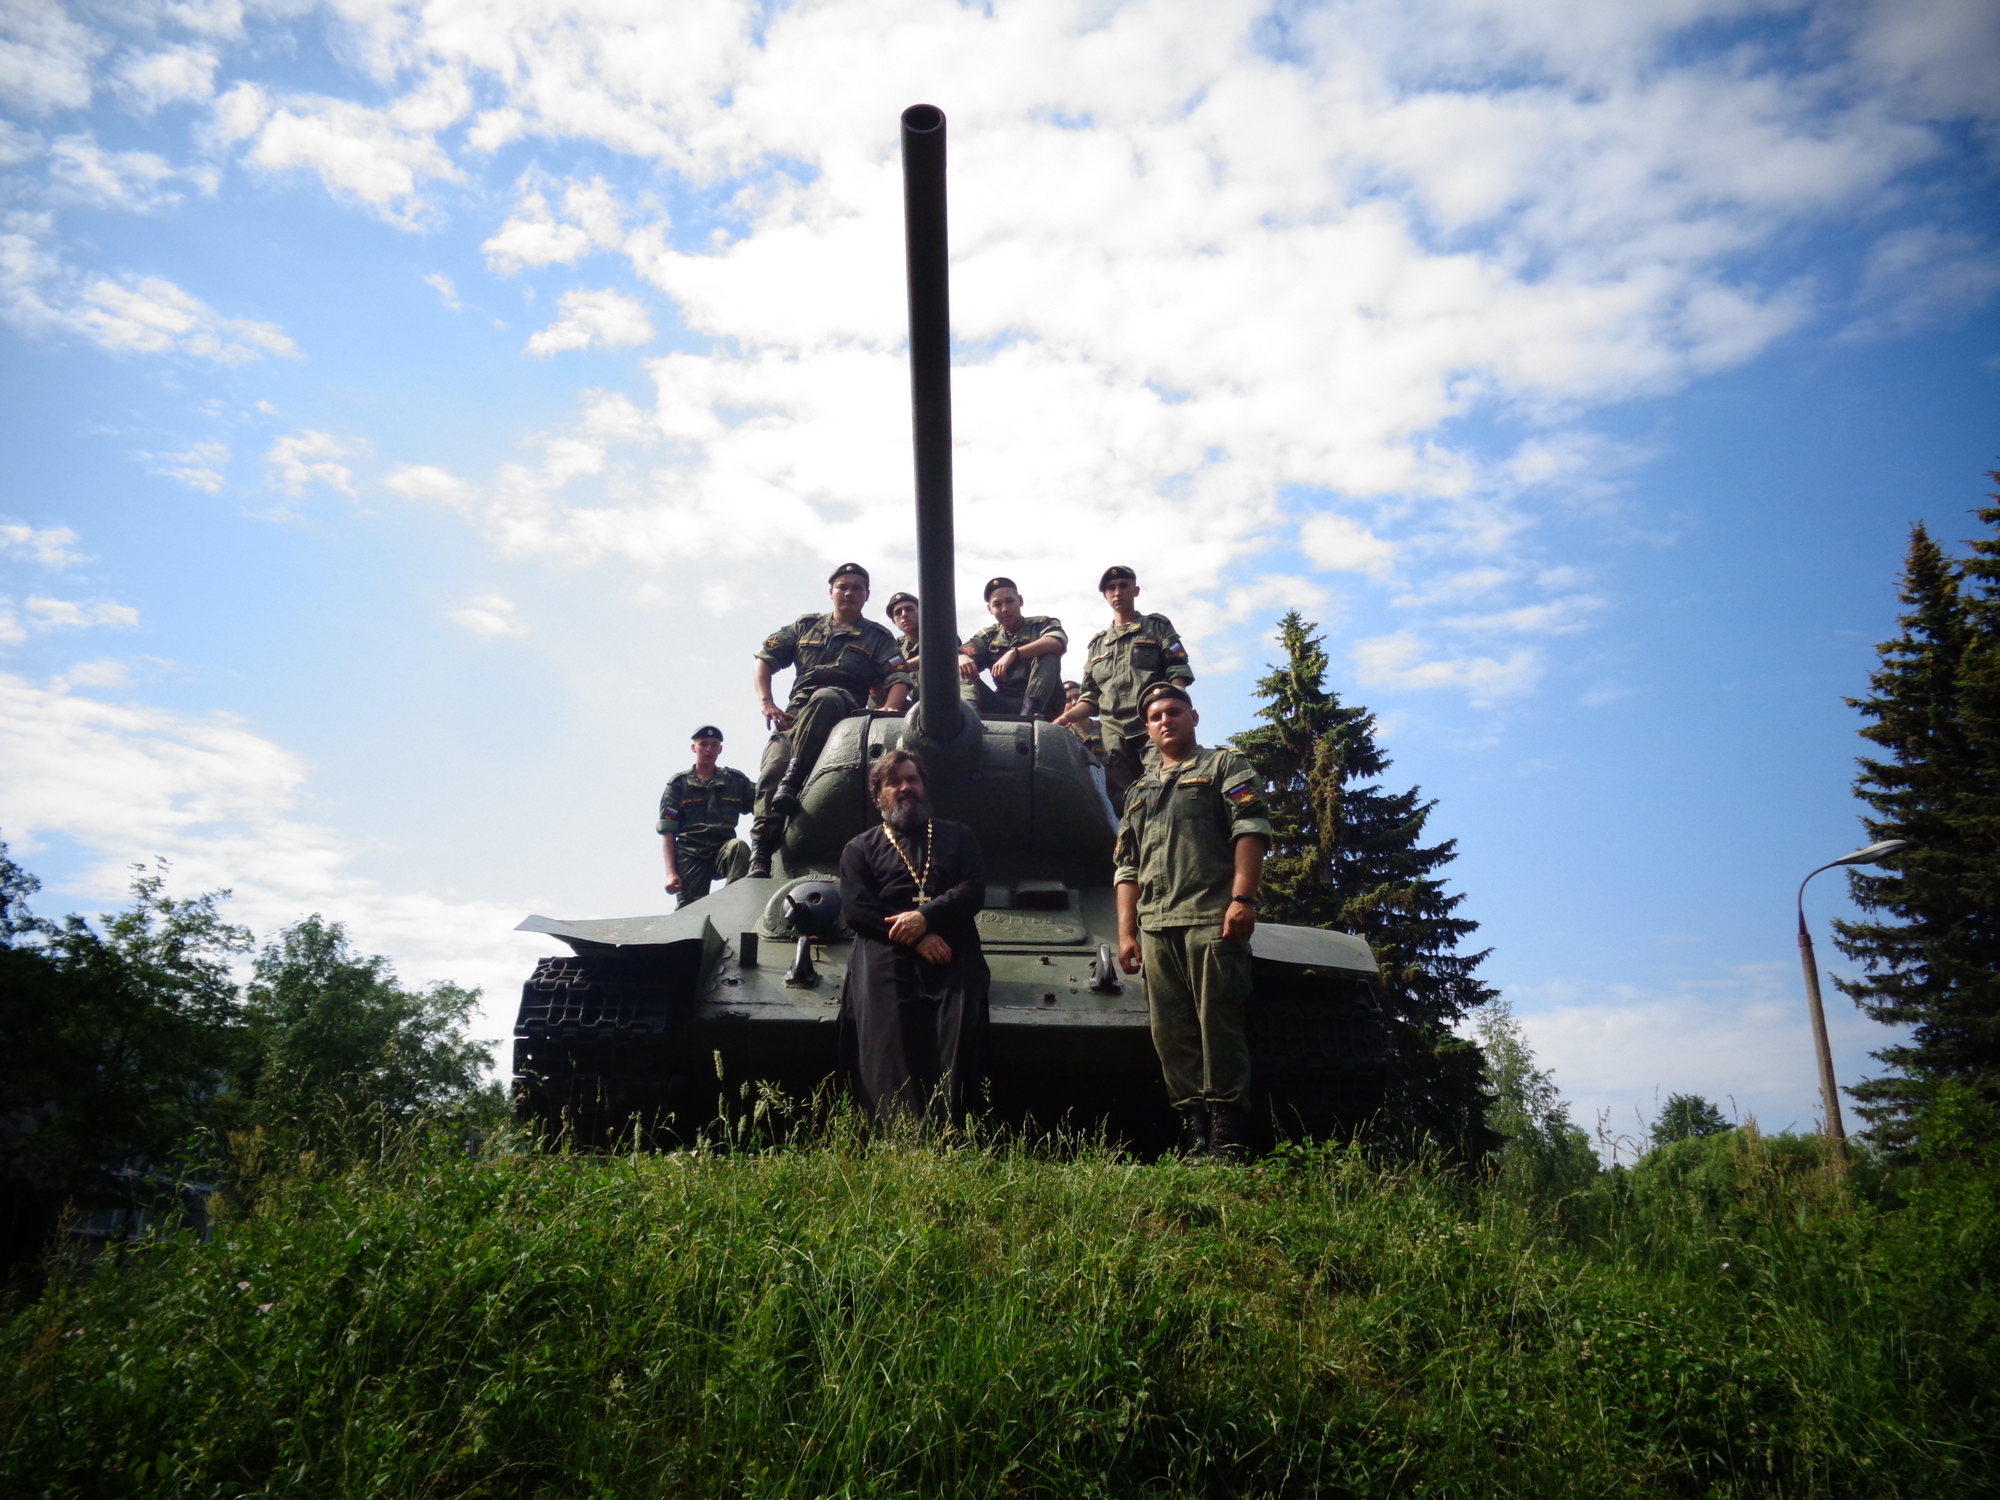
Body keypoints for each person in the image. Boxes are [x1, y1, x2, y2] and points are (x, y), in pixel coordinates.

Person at [1113, 682, 1271, 1160]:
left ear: (1194, 716)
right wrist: (1126, 932)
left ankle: (1226, 1133)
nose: (1166, 720)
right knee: (1171, 1032)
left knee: (1217, 1024)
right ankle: (1193, 1132)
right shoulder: (1138, 791)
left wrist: (1242, 898)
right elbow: (1126, 866)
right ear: (1147, 727)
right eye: (1156, 715)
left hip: (1210, 916)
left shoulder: (1225, 766)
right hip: (1156, 925)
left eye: (1174, 711)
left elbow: (1251, 827)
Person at [837, 747, 990, 1122]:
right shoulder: (860, 848)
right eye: (894, 782)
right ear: (879, 794)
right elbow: (858, 908)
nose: (905, 788)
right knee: (888, 1045)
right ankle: (897, 1139)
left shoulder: (958, 836)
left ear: (924, 786)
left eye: (912, 779)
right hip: (885, 952)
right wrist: (917, 935)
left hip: (951, 948)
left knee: (958, 1033)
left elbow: (972, 888)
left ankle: (955, 1133)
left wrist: (927, 917)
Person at [750, 563, 911, 877]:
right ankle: (761, 854)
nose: (849, 592)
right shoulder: (805, 626)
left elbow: (899, 677)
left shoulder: (877, 636)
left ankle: (794, 778)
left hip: (846, 718)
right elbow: (764, 660)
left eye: (856, 588)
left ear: (866, 596)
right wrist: (767, 703)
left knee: (827, 697)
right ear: (831, 591)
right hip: (796, 716)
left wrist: (891, 709)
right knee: (771, 770)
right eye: (843, 586)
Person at [1055, 565, 1193, 805]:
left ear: (1135, 590)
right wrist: (1062, 719)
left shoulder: (1156, 627)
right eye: (1111, 588)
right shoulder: (1097, 645)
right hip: (1113, 733)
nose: (1117, 592)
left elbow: (1177, 670)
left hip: (1152, 724)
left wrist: (1176, 708)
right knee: (1121, 800)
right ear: (1105, 596)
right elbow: (1090, 698)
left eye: (1123, 586)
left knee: (1164, 786)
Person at [657, 725, 755, 906]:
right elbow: (668, 830)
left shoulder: (734, 781)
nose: (709, 749)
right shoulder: (678, 785)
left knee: (738, 847)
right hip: (691, 853)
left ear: (720, 749)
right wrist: (671, 874)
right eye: (703, 744)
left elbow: (764, 800)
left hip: (722, 849)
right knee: (690, 912)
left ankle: (733, 903)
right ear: (693, 748)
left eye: (714, 745)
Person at [958, 576, 1066, 718]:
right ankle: (971, 716)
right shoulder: (989, 636)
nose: (1005, 609)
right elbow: (961, 653)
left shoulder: (1041, 624)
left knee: (1048, 653)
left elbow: (1055, 642)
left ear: (1020, 600)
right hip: (1003, 704)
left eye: (1010, 601)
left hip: (1046, 704)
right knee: (960, 667)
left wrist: (1014, 653)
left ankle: (1030, 712)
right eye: (997, 605)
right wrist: (961, 657)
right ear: (990, 609)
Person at [879, 591, 923, 707]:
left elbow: (937, 655)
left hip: (946, 698)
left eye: (909, 609)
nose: (904, 614)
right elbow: (889, 666)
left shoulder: (940, 634)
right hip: (916, 705)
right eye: (898, 612)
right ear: (894, 621)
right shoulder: (895, 645)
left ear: (921, 613)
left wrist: (903, 666)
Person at [1060, 679, 1105, 764]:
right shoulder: (1060, 735)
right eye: (1068, 700)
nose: (1074, 702)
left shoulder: (1107, 729)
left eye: (1077, 697)